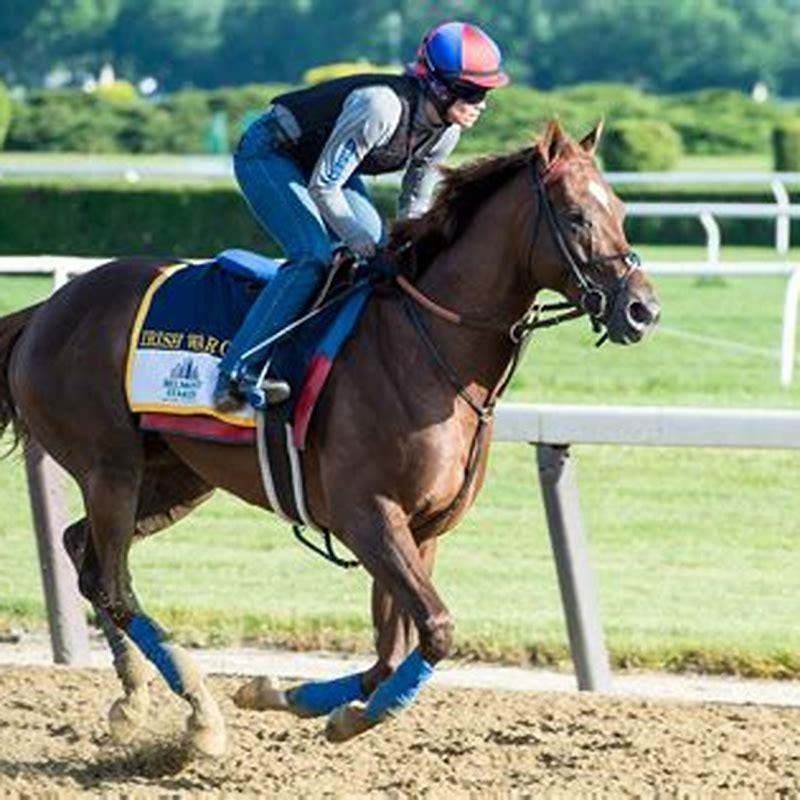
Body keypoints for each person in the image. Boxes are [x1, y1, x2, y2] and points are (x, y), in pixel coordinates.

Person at [214, 20, 509, 412]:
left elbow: (414, 209)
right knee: (313, 255)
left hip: (323, 166)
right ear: (439, 86)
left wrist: (411, 250)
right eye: (471, 92)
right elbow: (323, 188)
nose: (481, 104)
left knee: (384, 254)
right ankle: (236, 371)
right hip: (272, 153)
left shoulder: (446, 132)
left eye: (486, 92)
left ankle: (330, 358)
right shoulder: (379, 108)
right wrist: (361, 242)